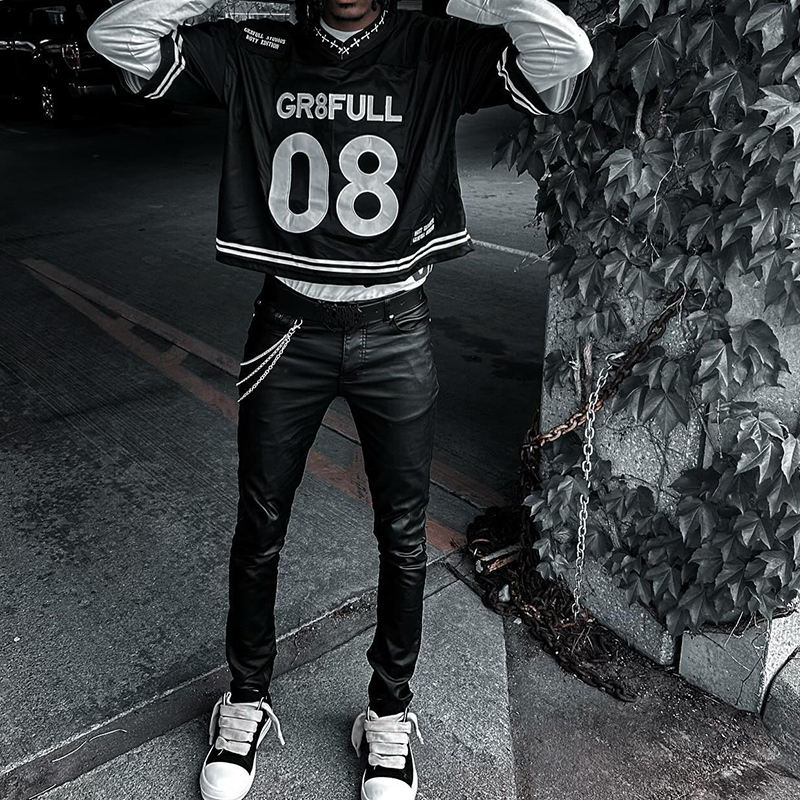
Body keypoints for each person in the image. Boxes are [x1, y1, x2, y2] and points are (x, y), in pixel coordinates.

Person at [87, 0, 592, 798]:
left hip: (395, 327)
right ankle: (245, 700)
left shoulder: (434, 44)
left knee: (403, 536)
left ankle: (388, 715)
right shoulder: (259, 45)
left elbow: (563, 51)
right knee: (260, 526)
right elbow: (117, 36)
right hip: (289, 326)